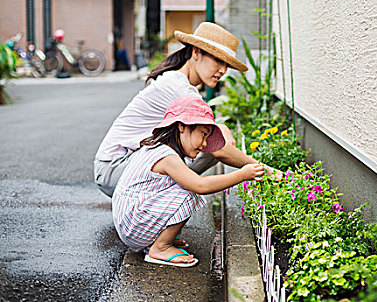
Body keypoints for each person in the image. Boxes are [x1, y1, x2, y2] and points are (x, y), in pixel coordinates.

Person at [94, 22, 280, 198]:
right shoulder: (179, 88)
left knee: (207, 137)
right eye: (217, 60)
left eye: (227, 65)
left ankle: (162, 200)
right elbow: (219, 149)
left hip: (122, 166)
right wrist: (266, 171)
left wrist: (221, 127)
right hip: (114, 168)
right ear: (196, 52)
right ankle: (163, 203)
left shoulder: (178, 81)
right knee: (209, 144)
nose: (223, 70)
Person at [112, 96, 265, 267]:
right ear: (182, 126)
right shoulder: (166, 156)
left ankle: (159, 238)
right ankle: (161, 247)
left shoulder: (157, 148)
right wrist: (242, 174)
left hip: (130, 222)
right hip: (133, 226)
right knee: (189, 191)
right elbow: (201, 185)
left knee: (183, 186)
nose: (205, 143)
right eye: (203, 134)